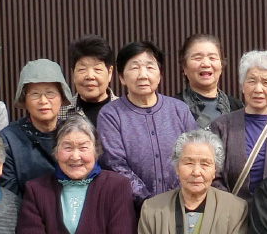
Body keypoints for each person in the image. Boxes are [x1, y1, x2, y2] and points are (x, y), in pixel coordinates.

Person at [101, 40, 200, 200]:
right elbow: (115, 164)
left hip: (182, 204)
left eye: (150, 67)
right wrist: (147, 201)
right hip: (132, 209)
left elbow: (195, 153)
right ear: (121, 78)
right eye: (134, 67)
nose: (143, 75)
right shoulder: (111, 114)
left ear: (160, 75)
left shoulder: (179, 109)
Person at [212, 50, 267, 194]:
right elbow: (213, 174)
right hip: (233, 212)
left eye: (266, 82)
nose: (258, 89)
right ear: (243, 86)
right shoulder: (222, 126)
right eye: (252, 81)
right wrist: (231, 205)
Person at [0, 59, 74, 193]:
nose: (43, 101)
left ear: (61, 96)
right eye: (35, 94)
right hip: (25, 211)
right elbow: (9, 192)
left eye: (50, 93)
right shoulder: (9, 138)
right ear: (25, 100)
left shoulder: (74, 131)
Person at [178, 35, 244, 128]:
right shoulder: (174, 108)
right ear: (184, 67)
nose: (205, 64)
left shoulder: (236, 106)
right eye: (197, 58)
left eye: (212, 58)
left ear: (221, 65)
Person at [68, 35, 119, 125]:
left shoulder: (125, 111)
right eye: (82, 69)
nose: (90, 76)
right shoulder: (60, 113)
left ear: (110, 72)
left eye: (97, 69)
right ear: (73, 73)